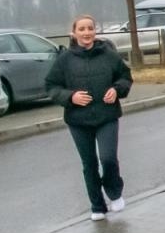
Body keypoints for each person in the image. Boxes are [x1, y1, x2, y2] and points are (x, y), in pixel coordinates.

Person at [45, 15, 132, 222]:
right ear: (74, 33)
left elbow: (125, 77)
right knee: (89, 163)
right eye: (81, 29)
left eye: (90, 28)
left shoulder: (108, 55)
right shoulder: (64, 60)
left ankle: (114, 192)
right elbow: (51, 86)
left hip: (107, 116)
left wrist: (116, 89)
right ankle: (97, 205)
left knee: (108, 158)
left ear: (95, 31)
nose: (86, 33)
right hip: (78, 120)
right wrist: (71, 96)